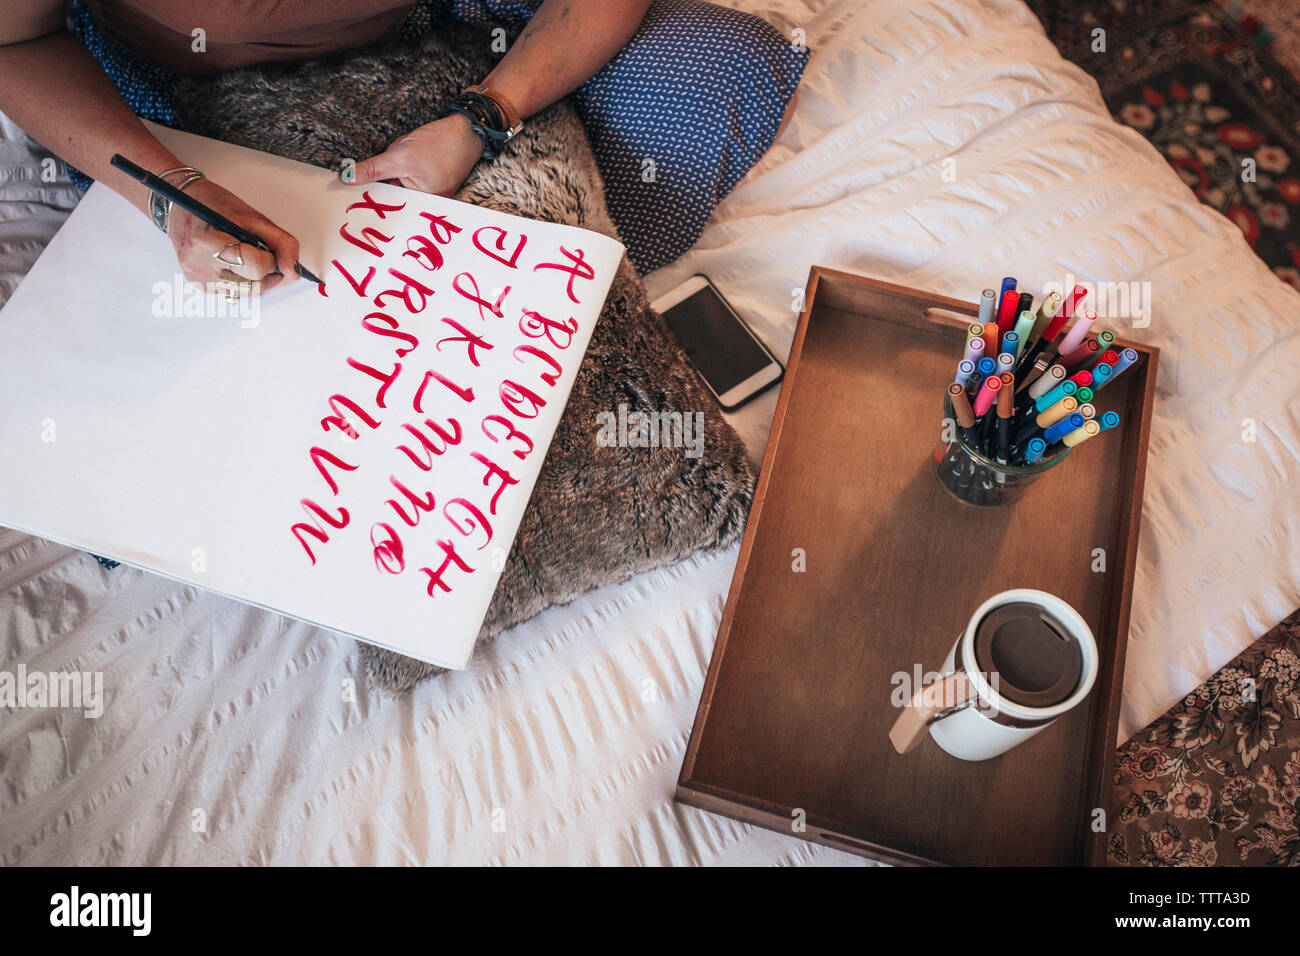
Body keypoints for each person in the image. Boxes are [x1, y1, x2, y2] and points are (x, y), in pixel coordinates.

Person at [0, 0, 807, 290]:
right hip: (191, 87)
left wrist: (484, 116)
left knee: (709, 75)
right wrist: (167, 188)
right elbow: (17, 45)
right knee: (239, 293)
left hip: (456, 22)